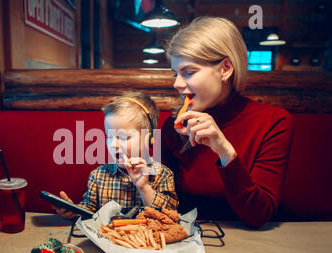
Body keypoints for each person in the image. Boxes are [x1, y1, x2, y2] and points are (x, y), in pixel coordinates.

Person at [161, 17, 293, 228]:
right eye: (176, 73)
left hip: (253, 247)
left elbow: (258, 216)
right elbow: (165, 207)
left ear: (226, 69)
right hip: (186, 244)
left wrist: (224, 151)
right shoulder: (173, 127)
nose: (176, 83)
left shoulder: (274, 122)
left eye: (189, 72)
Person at [55, 92, 179, 219]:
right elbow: (89, 209)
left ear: (149, 139)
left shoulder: (163, 175)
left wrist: (144, 187)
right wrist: (73, 211)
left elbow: (169, 216)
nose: (113, 144)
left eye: (123, 137)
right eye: (109, 136)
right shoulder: (98, 176)